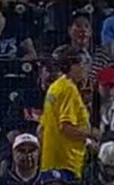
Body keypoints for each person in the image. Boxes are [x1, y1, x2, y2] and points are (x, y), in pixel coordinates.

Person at [40, 47, 98, 177]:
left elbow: (41, 129)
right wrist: (92, 133)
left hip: (50, 160)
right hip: (66, 163)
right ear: (73, 66)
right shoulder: (69, 90)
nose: (86, 69)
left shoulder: (55, 87)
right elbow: (67, 128)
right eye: (84, 64)